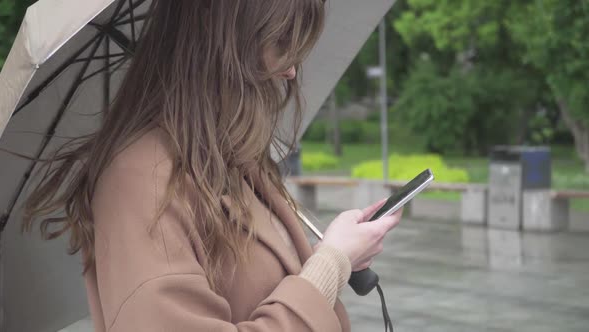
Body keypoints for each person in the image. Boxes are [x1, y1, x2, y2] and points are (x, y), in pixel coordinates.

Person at [23, 0, 403, 331]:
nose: (291, 71)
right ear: (224, 36)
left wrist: (337, 253)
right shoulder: (139, 180)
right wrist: (331, 263)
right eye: (282, 39)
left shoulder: (230, 159)